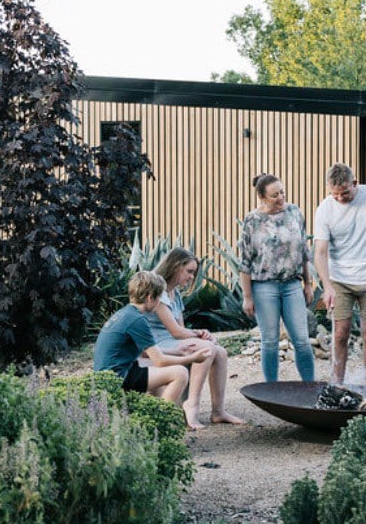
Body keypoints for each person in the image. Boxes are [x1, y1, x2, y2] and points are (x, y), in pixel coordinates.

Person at [313, 162, 366, 384]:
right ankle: (337, 385)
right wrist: (327, 285)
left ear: (355, 184)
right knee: (340, 334)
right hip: (340, 280)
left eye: (345, 193)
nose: (340, 198)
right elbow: (320, 252)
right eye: (335, 194)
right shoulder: (324, 209)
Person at [146, 248, 245, 430]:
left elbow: (181, 329)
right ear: (176, 267)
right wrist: (200, 334)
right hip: (156, 343)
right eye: (189, 271)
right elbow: (176, 332)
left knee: (220, 352)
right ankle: (192, 404)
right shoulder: (158, 292)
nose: (192, 277)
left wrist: (200, 334)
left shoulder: (175, 293)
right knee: (206, 348)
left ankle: (218, 411)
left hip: (171, 340)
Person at [238, 174, 317, 382]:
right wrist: (247, 296)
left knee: (302, 340)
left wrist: (307, 283)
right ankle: (271, 390)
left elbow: (303, 252)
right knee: (270, 341)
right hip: (264, 286)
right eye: (275, 195)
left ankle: (309, 388)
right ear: (262, 197)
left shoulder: (294, 213)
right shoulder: (252, 220)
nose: (281, 197)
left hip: (292, 284)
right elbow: (245, 261)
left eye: (282, 192)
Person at [93, 270, 208, 406]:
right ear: (149, 297)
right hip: (117, 379)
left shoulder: (125, 314)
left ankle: (151, 412)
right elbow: (160, 361)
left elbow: (145, 352)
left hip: (108, 376)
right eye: (159, 298)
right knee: (180, 373)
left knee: (157, 373)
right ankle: (162, 418)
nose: (159, 302)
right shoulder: (137, 320)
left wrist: (178, 351)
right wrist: (193, 358)